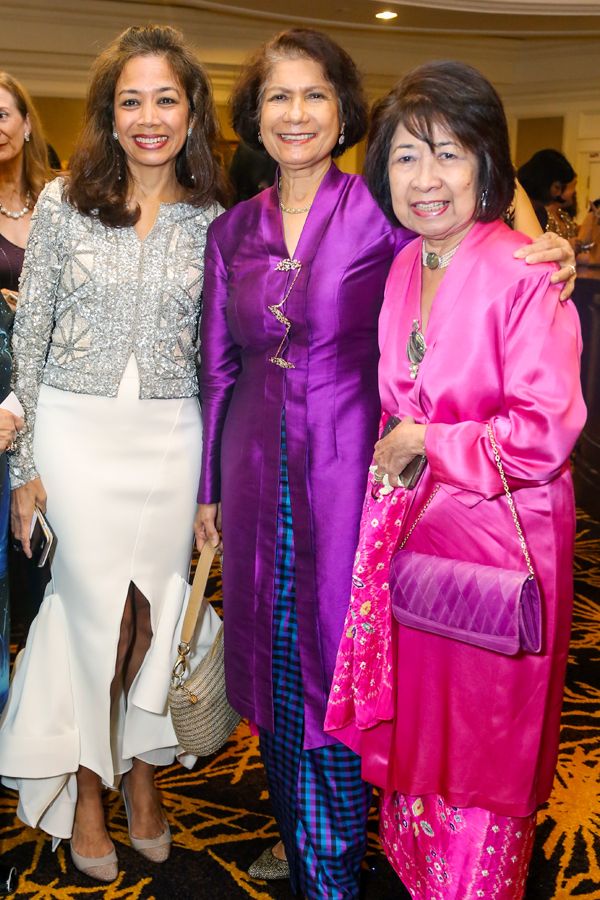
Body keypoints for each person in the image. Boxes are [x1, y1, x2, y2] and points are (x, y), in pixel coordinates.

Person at [325, 60, 586, 899]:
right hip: (423, 534)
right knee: (425, 729)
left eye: (448, 154)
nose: (426, 179)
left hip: (504, 538)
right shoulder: (407, 266)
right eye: (405, 157)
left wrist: (428, 445)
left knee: (484, 738)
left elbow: (543, 434)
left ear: (486, 163)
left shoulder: (524, 270)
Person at [0, 24, 226, 883]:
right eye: (130, 99)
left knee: (152, 613)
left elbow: (221, 353)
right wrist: (25, 471)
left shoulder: (216, 215)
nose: (148, 116)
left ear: (192, 108)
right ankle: (91, 783)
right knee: (95, 615)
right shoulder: (63, 203)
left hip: (172, 437)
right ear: (108, 112)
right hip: (75, 430)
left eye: (165, 97)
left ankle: (141, 767)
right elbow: (31, 335)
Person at [0, 72, 54, 661]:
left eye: (2, 113)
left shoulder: (61, 203)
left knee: (44, 552)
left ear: (25, 121)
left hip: (49, 394)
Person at [518, 148, 579, 241]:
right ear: (543, 181)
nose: (558, 194)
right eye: (557, 187)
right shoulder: (513, 203)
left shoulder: (542, 213)